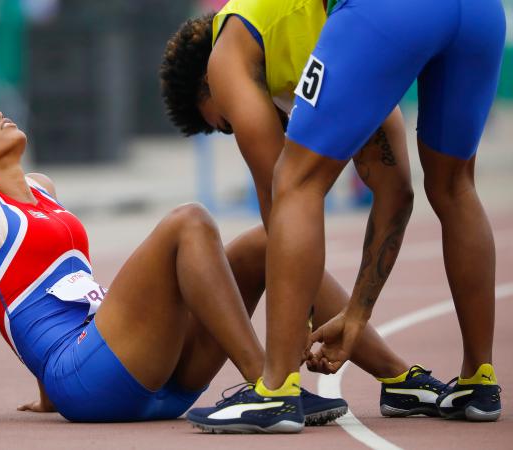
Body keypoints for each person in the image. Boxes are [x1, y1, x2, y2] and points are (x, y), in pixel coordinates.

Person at [0, 109, 358, 428]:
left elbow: (63, 290)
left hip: (154, 382)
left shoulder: (45, 190)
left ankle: (396, 376)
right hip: (92, 379)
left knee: (261, 244)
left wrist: (43, 390)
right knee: (189, 221)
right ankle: (271, 386)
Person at [177, 0, 506, 432]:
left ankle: (275, 392)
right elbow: (395, 193)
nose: (240, 123)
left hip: (391, 12)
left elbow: (279, 199)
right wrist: (355, 314)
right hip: (480, 12)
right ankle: (478, 380)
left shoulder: (227, 50)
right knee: (454, 186)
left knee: (295, 180)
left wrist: (292, 333)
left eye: (225, 123)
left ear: (207, 85)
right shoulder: (343, 51)